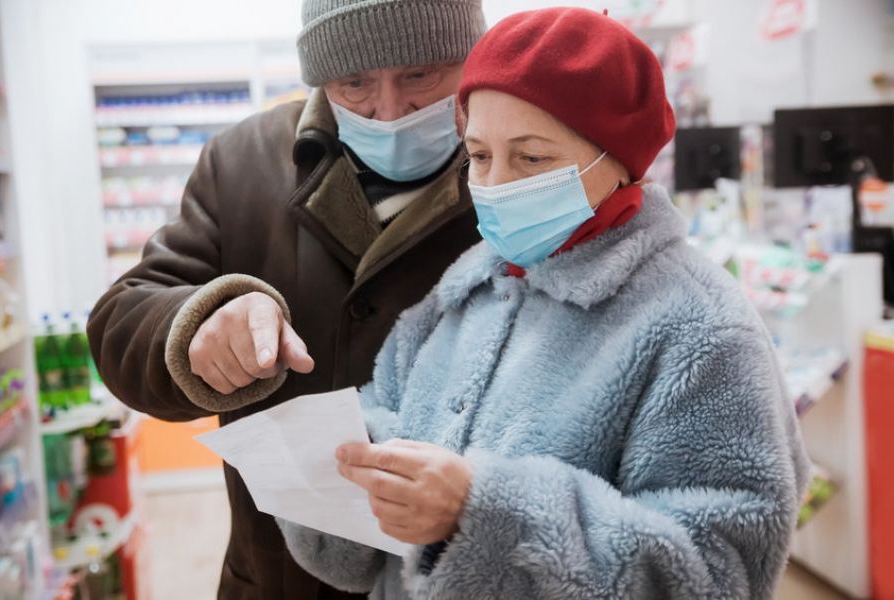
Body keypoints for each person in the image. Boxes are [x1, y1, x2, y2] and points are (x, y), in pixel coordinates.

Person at [276, 7, 811, 600]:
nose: (498, 184)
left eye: (532, 158)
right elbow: (390, 413)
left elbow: (718, 571)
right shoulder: (469, 286)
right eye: (479, 156)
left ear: (616, 156)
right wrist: (347, 463)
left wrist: (484, 514)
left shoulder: (701, 327)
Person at [86, 0, 487, 597]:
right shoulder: (241, 163)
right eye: (355, 82)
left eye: (421, 75)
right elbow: (122, 315)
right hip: (279, 576)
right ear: (321, 75)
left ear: (469, 59)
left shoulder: (515, 164)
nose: (390, 110)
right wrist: (198, 326)